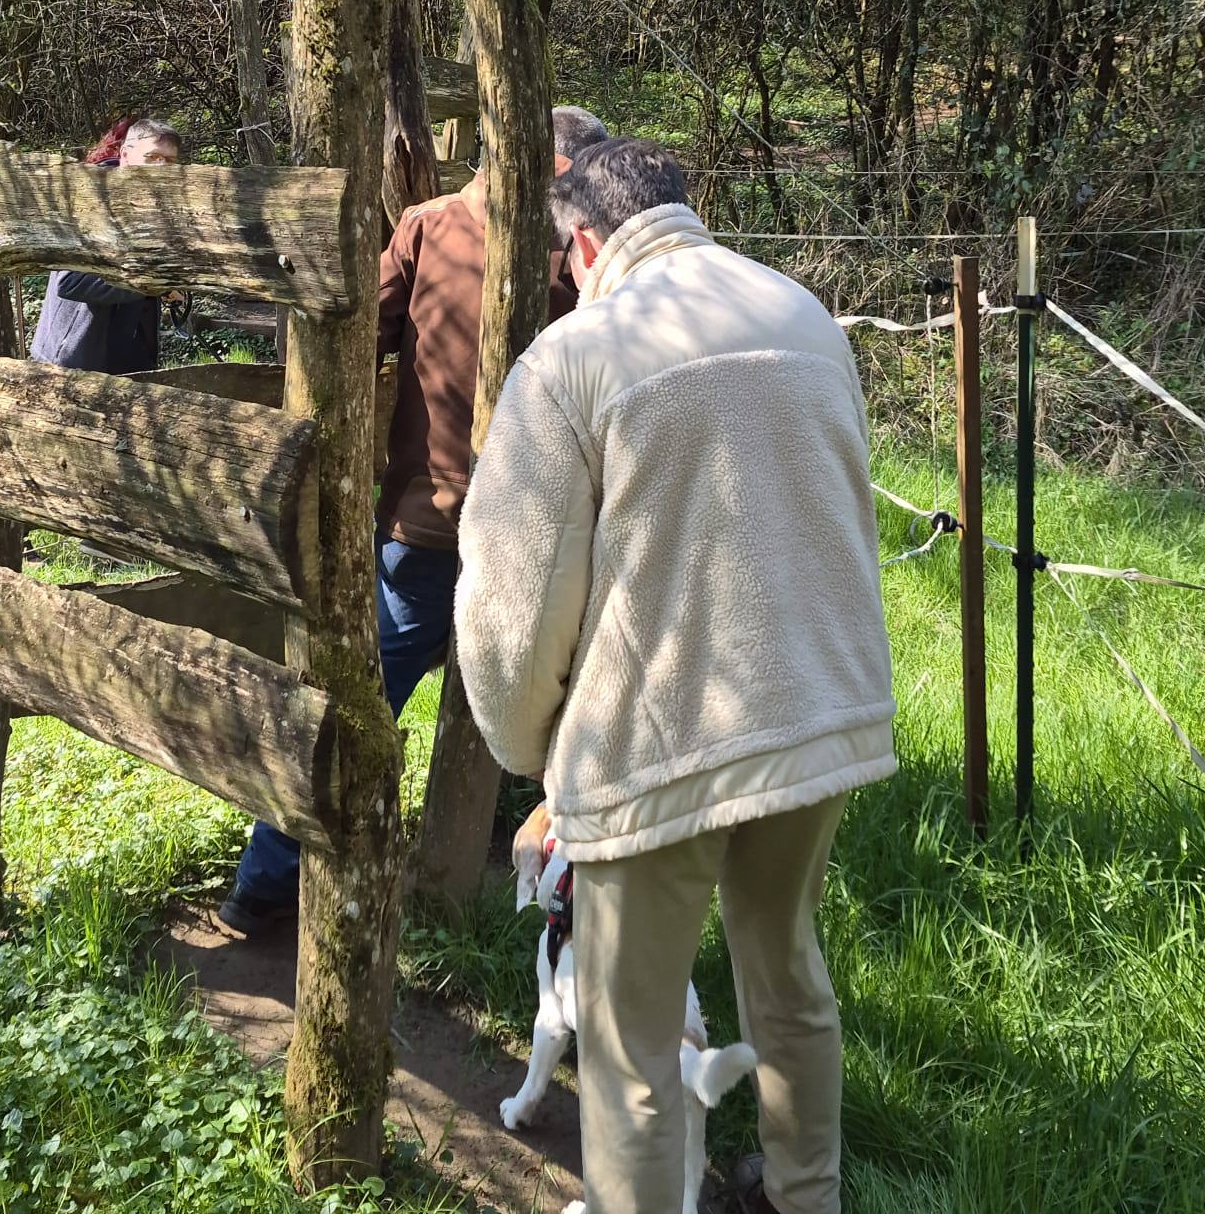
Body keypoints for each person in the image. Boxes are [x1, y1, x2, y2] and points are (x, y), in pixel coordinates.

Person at [454, 139, 895, 1214]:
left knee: (631, 1035)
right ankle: (804, 1197)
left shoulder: (574, 357)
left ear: (585, 243)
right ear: (680, 209)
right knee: (788, 973)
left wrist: (533, 750)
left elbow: (514, 605)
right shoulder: (806, 317)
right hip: (818, 714)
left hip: (653, 738)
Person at [217, 103, 611, 938]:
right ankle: (564, 878)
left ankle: (264, 882)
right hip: (534, 532)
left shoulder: (430, 225)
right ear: (564, 170)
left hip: (425, 520)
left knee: (354, 700)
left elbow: (355, 336)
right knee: (570, 686)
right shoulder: (582, 256)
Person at [28, 117, 182, 374]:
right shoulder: (90, 200)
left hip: (130, 356)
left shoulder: (154, 206)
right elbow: (71, 282)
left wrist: (163, 285)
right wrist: (150, 284)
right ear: (125, 155)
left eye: (169, 160)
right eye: (152, 157)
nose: (161, 167)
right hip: (73, 360)